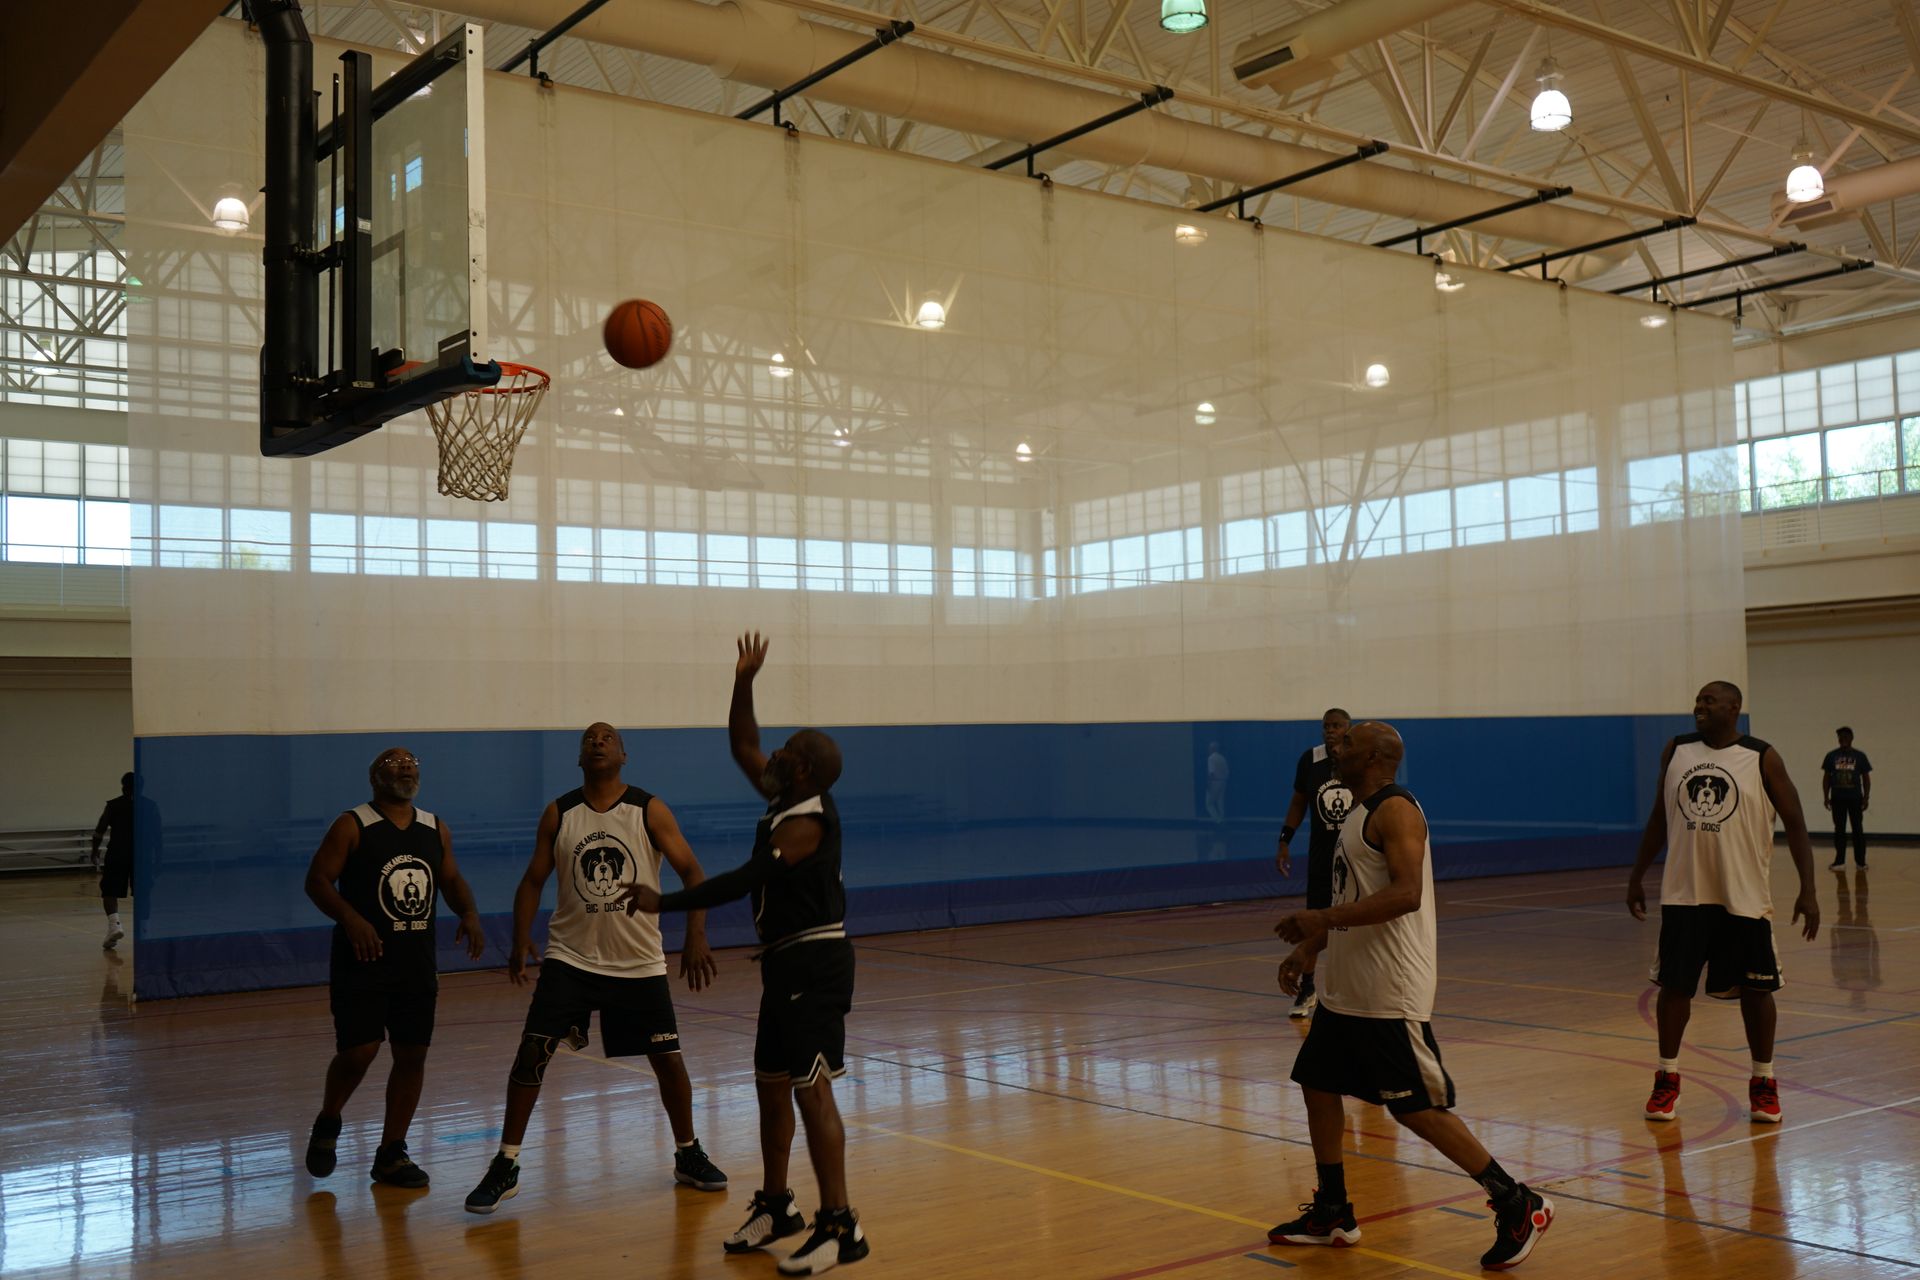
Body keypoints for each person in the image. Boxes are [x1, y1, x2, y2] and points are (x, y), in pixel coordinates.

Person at [1271, 721, 1554, 1271]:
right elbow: (1358, 896)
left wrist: (1319, 917)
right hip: (1347, 989)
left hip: (1388, 991)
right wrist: (1311, 948)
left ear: (1376, 756)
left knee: (1418, 1110)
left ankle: (1518, 1202)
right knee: (1318, 1085)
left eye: (1348, 743)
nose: (1337, 747)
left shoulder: (1396, 810)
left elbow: (1405, 894)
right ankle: (1332, 1211)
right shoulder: (1354, 813)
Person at [626, 633, 867, 1276]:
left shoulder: (808, 818)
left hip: (815, 963)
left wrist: (663, 904)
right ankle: (777, 1204)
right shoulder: (783, 795)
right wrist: (743, 680)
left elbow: (747, 876)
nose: (774, 752)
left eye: (786, 750)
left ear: (806, 769)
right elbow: (740, 743)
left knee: (812, 1089)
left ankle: (840, 1224)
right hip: (784, 964)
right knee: (771, 1088)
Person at [464, 722, 725, 1214]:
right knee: (531, 1054)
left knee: (668, 1061)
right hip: (571, 959)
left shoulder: (649, 810)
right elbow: (532, 880)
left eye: (607, 737)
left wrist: (697, 934)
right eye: (590, 738)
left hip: (638, 961)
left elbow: (693, 871)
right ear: (579, 757)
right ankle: (507, 1163)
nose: (598, 741)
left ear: (624, 754)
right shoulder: (560, 814)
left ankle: (688, 1154)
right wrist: (520, 938)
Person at [1627, 680, 1820, 1125]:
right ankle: (1667, 1079)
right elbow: (1660, 816)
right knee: (1674, 988)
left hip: (1744, 897)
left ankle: (1763, 1083)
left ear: (1734, 708)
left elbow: (1794, 822)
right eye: (1697, 699)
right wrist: (1637, 874)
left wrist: (1808, 889)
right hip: (1684, 894)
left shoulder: (1761, 756)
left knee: (1758, 991)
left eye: (1709, 700)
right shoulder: (1677, 750)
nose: (1699, 706)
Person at [302, 748, 486, 1187]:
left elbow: (451, 879)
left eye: (411, 763)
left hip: (415, 963)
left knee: (412, 1054)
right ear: (373, 777)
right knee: (358, 1052)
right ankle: (329, 1119)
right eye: (393, 763)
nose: (405, 767)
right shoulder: (353, 824)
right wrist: (351, 919)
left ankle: (391, 1153)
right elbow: (317, 881)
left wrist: (470, 913)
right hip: (362, 961)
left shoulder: (434, 826)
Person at [1274, 709, 1352, 1019]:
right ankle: (1308, 989)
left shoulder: (1356, 758)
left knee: (1352, 922)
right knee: (1314, 922)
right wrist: (1284, 840)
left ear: (1349, 728)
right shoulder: (1311, 760)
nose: (1330, 731)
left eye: (1336, 726)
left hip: (1353, 857)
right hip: (1322, 858)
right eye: (1326, 726)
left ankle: (1350, 987)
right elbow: (1297, 802)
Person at [90, 772, 156, 950]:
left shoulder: (113, 805)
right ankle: (145, 931)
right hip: (142, 855)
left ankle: (115, 926)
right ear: (142, 787)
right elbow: (158, 836)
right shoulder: (150, 806)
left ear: (122, 786)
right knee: (143, 893)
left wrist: (94, 851)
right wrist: (158, 859)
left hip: (118, 852)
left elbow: (100, 830)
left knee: (110, 891)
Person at [1821, 727, 1872, 869]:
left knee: (1858, 830)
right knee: (1839, 830)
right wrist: (1826, 797)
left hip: (1855, 799)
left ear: (1851, 738)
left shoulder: (1860, 756)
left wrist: (1866, 797)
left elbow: (1866, 779)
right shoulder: (1831, 756)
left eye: (1845, 736)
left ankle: (1860, 862)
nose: (1842, 739)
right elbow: (1826, 779)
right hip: (1837, 799)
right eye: (1839, 737)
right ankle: (1840, 861)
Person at [1205, 742, 1229, 825]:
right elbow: (1227, 772)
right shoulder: (1222, 758)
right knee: (1220, 802)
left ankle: (1218, 821)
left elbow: (1211, 773)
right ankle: (1222, 819)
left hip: (1214, 781)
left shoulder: (1211, 758)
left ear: (1212, 749)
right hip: (1223, 781)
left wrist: (1209, 784)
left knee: (1209, 803)